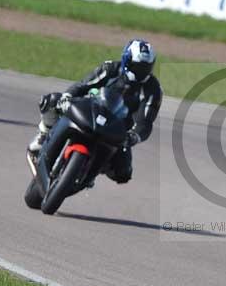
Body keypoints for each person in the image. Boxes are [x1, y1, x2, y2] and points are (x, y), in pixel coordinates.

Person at [28, 39, 162, 184]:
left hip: (117, 130)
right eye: (137, 66)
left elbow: (145, 122)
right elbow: (83, 85)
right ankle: (44, 135)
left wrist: (134, 136)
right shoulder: (110, 68)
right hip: (90, 110)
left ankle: (92, 168)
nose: (140, 72)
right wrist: (67, 96)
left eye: (145, 67)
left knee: (123, 172)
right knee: (52, 100)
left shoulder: (153, 90)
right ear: (126, 60)